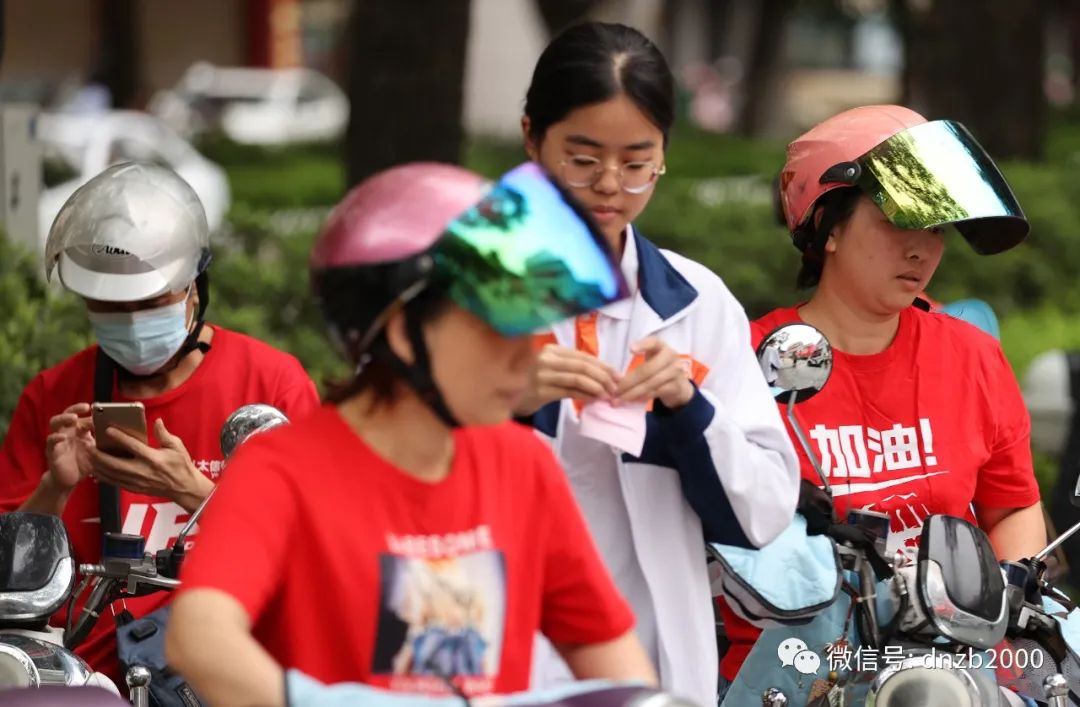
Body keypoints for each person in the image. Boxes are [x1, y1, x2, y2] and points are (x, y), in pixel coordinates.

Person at [165, 161, 658, 706]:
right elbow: (200, 638)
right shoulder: (280, 472)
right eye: (499, 324)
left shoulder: (522, 463)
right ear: (404, 330)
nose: (530, 353)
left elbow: (609, 655)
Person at [716, 104, 1047, 697]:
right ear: (829, 228)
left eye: (937, 228)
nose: (923, 250)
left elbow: (1012, 507)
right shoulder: (746, 362)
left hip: (952, 668)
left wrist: (1007, 602)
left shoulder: (971, 355)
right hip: (794, 674)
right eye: (900, 223)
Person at [514, 21, 800, 706]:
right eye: (582, 160)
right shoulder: (472, 294)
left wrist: (690, 412)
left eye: (637, 162)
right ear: (532, 139)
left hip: (656, 660)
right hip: (508, 648)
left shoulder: (698, 302)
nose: (609, 186)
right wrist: (506, 399)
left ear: (664, 153)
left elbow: (763, 511)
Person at [0, 162, 320, 686]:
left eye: (150, 304)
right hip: (90, 678)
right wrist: (55, 486)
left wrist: (190, 490)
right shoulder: (53, 396)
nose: (130, 321)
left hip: (226, 673)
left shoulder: (270, 384)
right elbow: (9, 579)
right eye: (108, 307)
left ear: (194, 287)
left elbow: (316, 557)